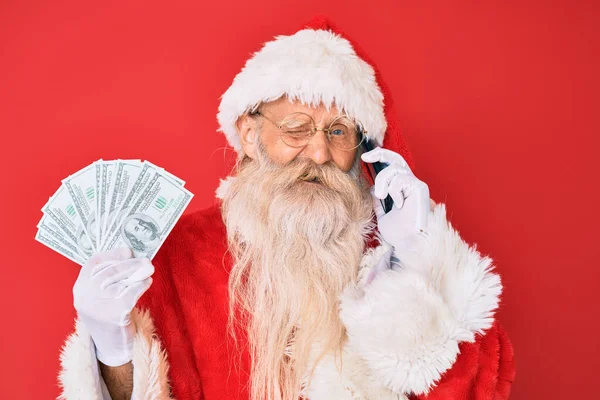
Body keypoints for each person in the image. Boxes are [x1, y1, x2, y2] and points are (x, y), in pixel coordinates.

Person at [58, 17, 515, 400]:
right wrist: (110, 349)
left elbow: (479, 389)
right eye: (297, 128)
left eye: (338, 132)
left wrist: (416, 260)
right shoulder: (175, 255)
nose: (318, 153)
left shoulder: (387, 248)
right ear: (250, 135)